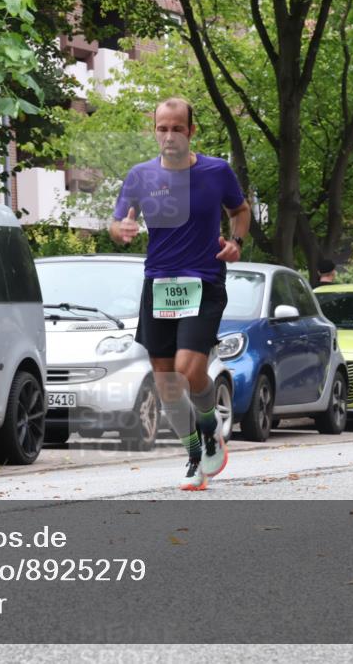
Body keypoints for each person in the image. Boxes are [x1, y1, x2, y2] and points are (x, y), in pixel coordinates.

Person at [110, 97, 250, 491]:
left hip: (203, 282)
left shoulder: (216, 171)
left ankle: (209, 428)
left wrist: (236, 241)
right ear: (153, 131)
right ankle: (195, 454)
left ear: (190, 131)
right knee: (166, 383)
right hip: (159, 283)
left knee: (189, 371)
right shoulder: (140, 176)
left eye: (176, 128)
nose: (169, 136)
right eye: (162, 128)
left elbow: (240, 210)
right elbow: (119, 220)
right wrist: (120, 230)